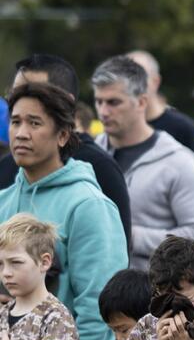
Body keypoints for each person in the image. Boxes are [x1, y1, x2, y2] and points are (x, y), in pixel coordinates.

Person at [0, 82, 129, 340]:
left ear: (62, 135)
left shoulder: (89, 205)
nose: (21, 133)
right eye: (16, 122)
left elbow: (100, 305)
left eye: (34, 123)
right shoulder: (3, 200)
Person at [91, 56, 194, 271]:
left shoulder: (179, 162)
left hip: (154, 297)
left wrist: (131, 235)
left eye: (113, 102)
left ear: (141, 102)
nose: (103, 111)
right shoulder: (89, 155)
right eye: (98, 101)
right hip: (93, 292)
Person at [1, 55, 132, 246]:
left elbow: (112, 268)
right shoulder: (6, 169)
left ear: (66, 102)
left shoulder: (100, 172)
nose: (23, 99)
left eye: (35, 93)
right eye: (17, 93)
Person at [125, 50, 194, 154]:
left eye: (139, 77)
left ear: (156, 81)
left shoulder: (183, 128)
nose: (132, 85)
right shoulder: (117, 126)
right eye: (126, 78)